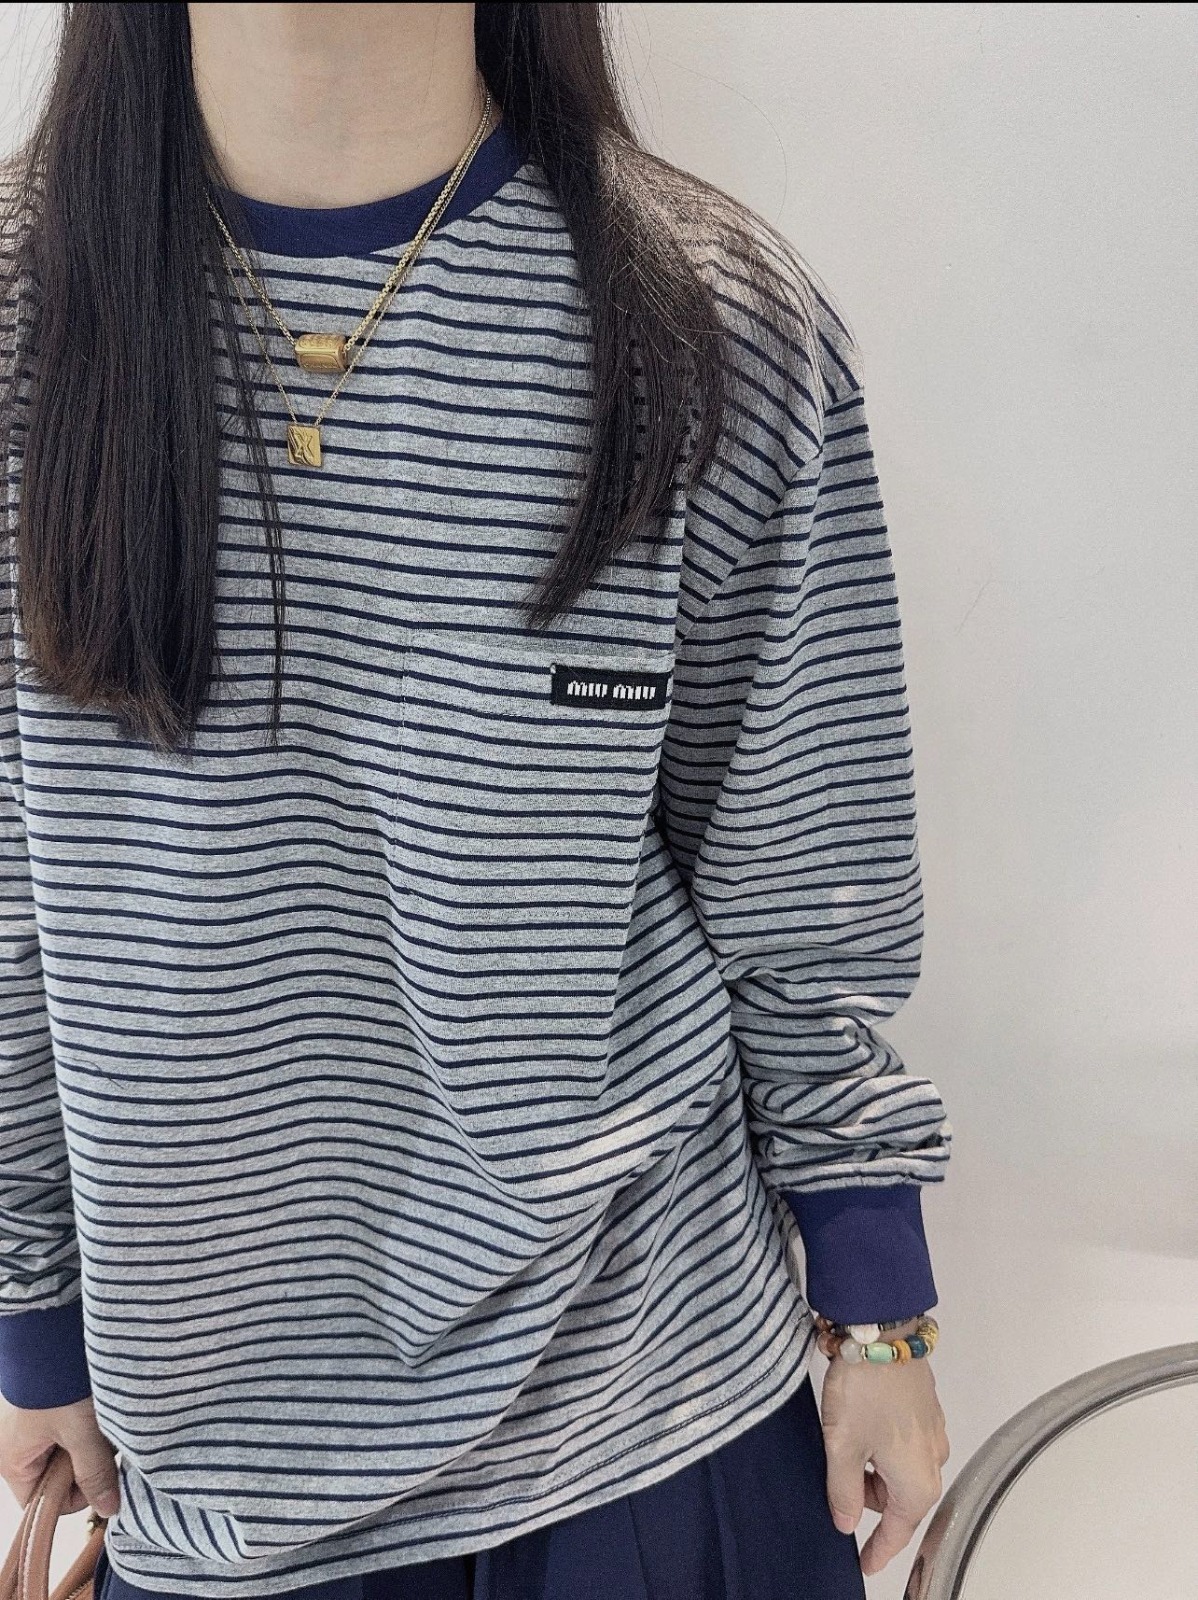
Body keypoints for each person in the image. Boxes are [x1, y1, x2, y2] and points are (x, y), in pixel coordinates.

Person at [0, 5, 952, 1597]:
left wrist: (876, 1311)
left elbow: (802, 868)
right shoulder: (27, 318)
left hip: (660, 1405)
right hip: (223, 1461)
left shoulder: (704, 313)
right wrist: (33, 1312)